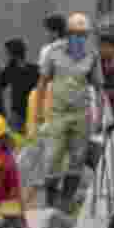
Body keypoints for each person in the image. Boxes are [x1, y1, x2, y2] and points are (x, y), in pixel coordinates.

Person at [34, 13, 103, 209]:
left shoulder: (92, 54)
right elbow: (41, 83)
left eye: (84, 35)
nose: (80, 39)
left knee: (77, 158)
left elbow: (99, 88)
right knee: (52, 157)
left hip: (82, 115)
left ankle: (66, 200)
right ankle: (50, 201)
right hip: (57, 114)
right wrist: (39, 111)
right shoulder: (53, 52)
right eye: (76, 34)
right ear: (68, 34)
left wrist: (99, 118)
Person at [0, 39, 40, 131]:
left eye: (7, 53)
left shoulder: (10, 70)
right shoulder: (35, 69)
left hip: (18, 115)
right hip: (33, 112)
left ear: (12, 55)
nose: (5, 56)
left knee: (17, 141)